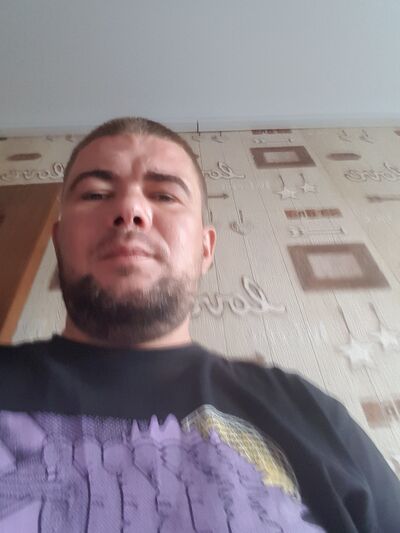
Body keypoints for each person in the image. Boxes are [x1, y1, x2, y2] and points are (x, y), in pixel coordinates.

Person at [0, 117, 399, 533]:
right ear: (59, 242)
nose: (130, 210)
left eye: (165, 195)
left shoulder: (310, 414)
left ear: (205, 249)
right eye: (96, 193)